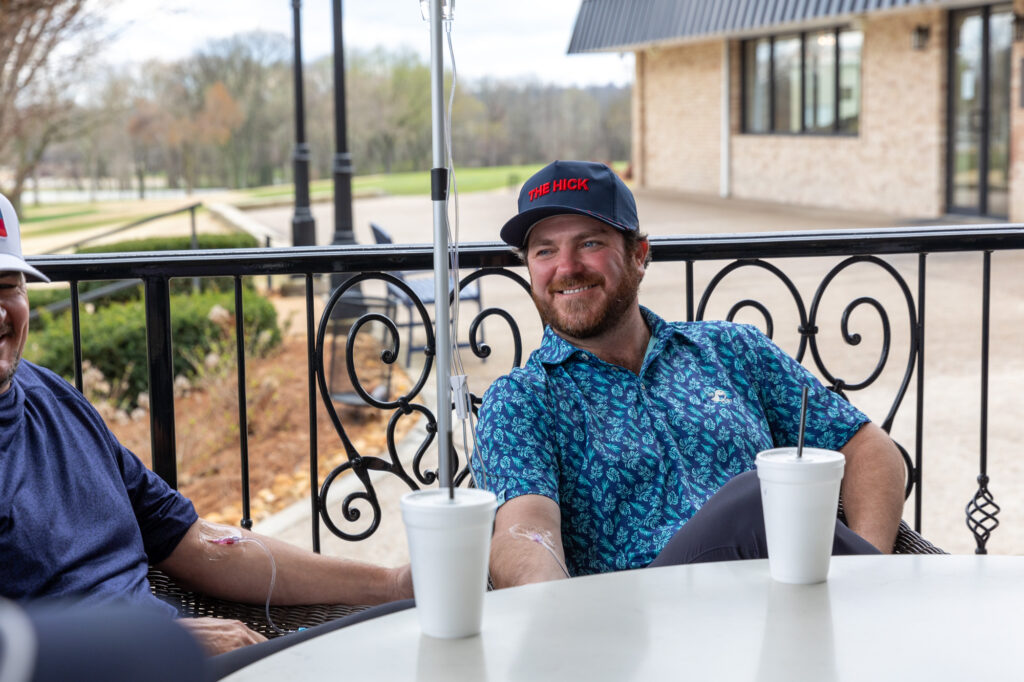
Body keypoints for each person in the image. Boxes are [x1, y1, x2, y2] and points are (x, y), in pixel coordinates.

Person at [0, 193, 413, 676]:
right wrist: (147, 641)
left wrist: (392, 585)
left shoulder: (52, 396)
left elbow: (189, 539)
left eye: (7, 286)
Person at [472, 160, 906, 588]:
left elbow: (867, 446)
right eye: (545, 250)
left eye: (589, 243)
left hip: (781, 614)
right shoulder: (523, 399)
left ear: (638, 255)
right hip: (647, 630)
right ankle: (875, 605)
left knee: (766, 499)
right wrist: (563, 627)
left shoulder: (733, 349)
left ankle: (867, 598)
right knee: (761, 497)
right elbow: (524, 532)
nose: (566, 267)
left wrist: (866, 567)